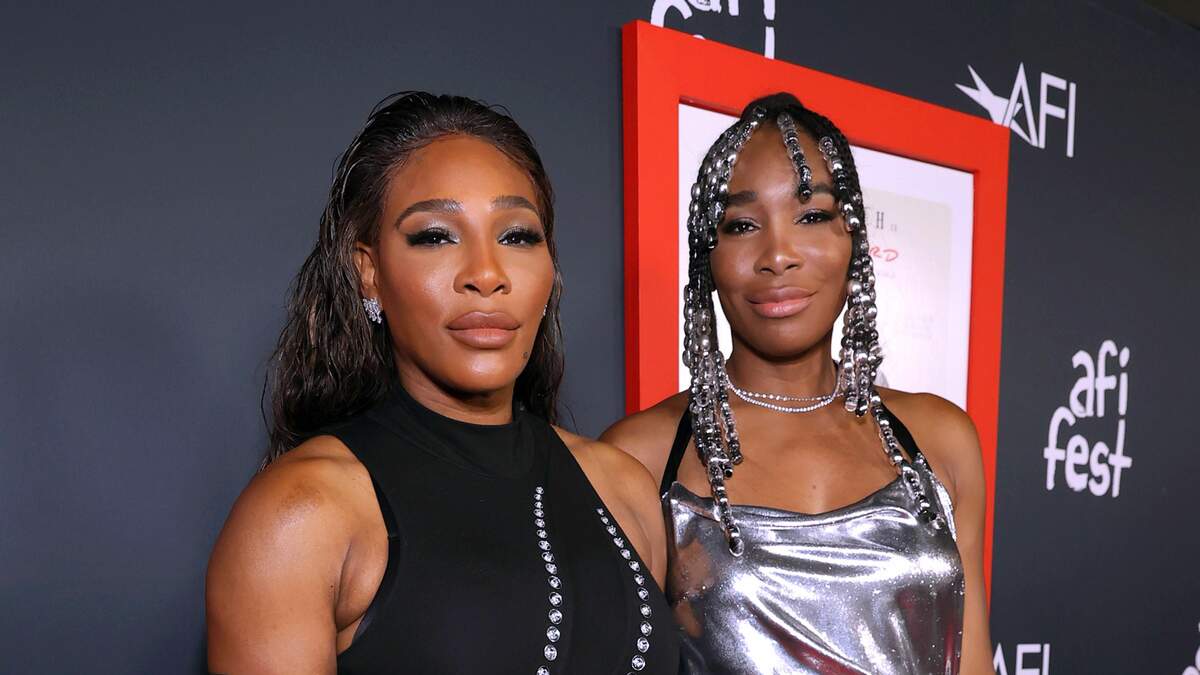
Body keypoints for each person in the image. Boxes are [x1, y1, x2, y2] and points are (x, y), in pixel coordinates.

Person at [206, 92, 678, 674]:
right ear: (368, 272)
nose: (486, 274)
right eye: (435, 236)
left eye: (517, 236)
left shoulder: (623, 488)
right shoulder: (302, 516)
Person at [602, 92, 993, 674]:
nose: (778, 255)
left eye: (811, 216)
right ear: (707, 257)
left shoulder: (941, 439)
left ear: (853, 240)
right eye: (741, 225)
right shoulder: (640, 458)